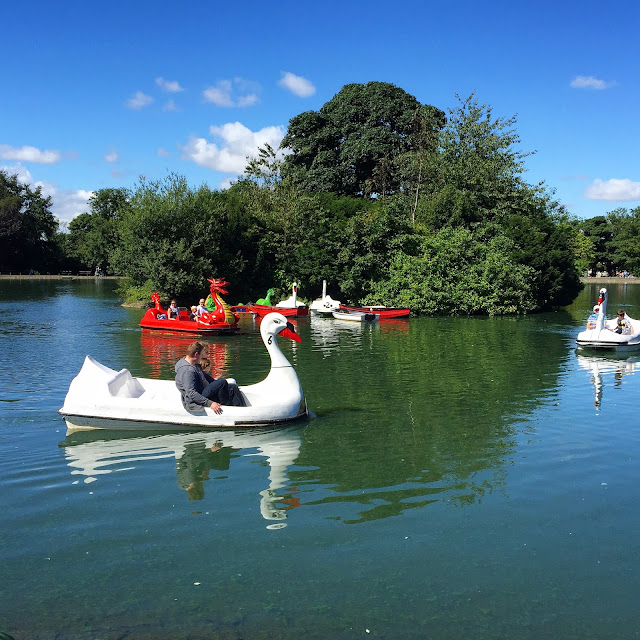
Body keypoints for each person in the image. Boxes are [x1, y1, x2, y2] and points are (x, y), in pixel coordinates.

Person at [175, 341, 245, 413]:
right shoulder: (187, 371)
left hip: (204, 389)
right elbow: (191, 393)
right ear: (196, 354)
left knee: (232, 387)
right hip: (198, 396)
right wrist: (210, 403)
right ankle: (226, 410)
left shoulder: (194, 364)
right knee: (222, 382)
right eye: (201, 355)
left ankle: (242, 410)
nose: (202, 357)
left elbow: (207, 378)